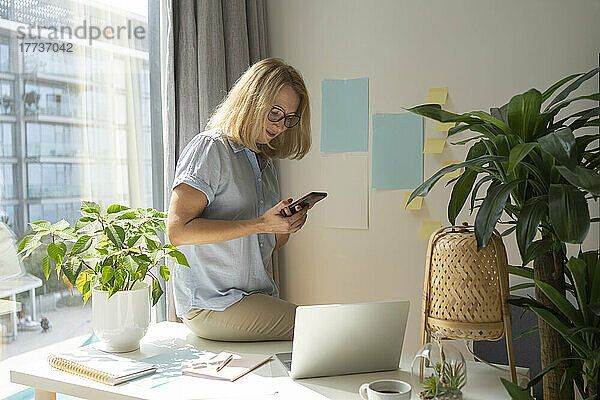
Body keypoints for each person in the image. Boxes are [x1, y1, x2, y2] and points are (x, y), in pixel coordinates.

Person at [167, 58, 312, 342]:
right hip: (212, 305)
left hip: (252, 297)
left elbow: (266, 243)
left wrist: (284, 227)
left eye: (289, 118)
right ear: (251, 100)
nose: (281, 125)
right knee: (319, 329)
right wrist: (259, 224)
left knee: (319, 331)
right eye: (275, 113)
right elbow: (178, 232)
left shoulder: (264, 164)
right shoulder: (210, 149)